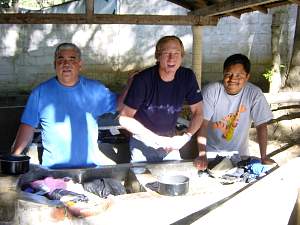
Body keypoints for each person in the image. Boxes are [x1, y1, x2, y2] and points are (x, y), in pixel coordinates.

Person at [11, 43, 117, 169]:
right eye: (61, 59)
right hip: (53, 171)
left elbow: (122, 105)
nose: (66, 64)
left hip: (89, 169)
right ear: (54, 65)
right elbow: (27, 126)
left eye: (72, 59)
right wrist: (13, 157)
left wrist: (135, 83)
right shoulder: (40, 92)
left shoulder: (95, 90)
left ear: (80, 65)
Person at [119, 35, 203, 163]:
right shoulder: (143, 80)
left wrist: (186, 136)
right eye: (167, 53)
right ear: (157, 56)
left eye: (176, 53)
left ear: (182, 56)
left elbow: (198, 111)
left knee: (174, 177)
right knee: (143, 179)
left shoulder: (187, 76)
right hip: (143, 139)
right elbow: (124, 119)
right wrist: (156, 139)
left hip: (170, 139)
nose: (172, 58)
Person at [194, 53, 276, 170]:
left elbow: (261, 125)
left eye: (239, 75)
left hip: (240, 156)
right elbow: (203, 124)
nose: (232, 79)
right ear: (223, 74)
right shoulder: (211, 91)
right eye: (228, 74)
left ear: (247, 76)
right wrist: (202, 155)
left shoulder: (254, 93)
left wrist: (264, 156)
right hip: (211, 155)